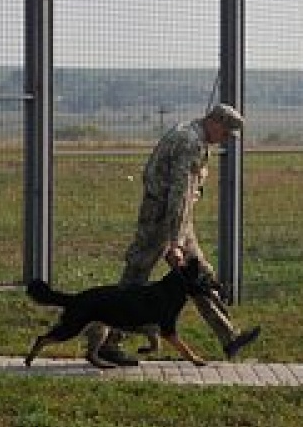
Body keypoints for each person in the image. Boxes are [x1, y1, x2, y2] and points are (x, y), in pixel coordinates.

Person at [86, 103, 261, 367]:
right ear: (214, 122)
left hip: (177, 222)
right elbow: (178, 195)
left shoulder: (194, 137)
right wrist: (176, 242)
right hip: (161, 223)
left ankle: (229, 337)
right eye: (225, 133)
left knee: (198, 275)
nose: (224, 140)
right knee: (134, 281)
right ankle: (106, 343)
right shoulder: (189, 142)